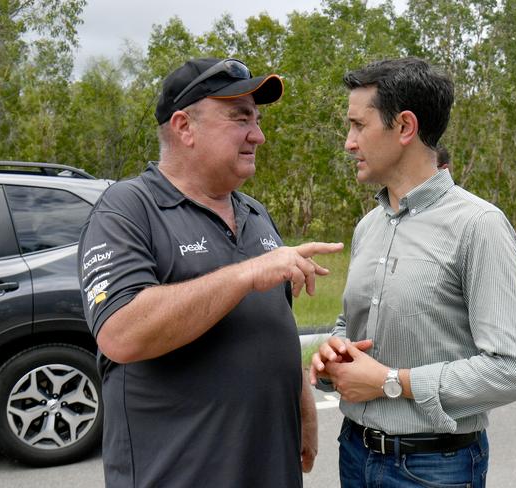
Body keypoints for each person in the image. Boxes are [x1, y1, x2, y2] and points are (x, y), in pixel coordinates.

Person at [78, 57, 344, 487]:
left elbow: (272, 323)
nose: (258, 134)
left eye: (256, 119)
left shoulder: (255, 213)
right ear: (185, 127)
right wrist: (245, 274)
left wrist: (303, 403)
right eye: (240, 118)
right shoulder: (127, 209)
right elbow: (120, 333)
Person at [310, 57, 516, 487]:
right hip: (354, 454)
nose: (348, 142)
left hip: (435, 468)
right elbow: (349, 323)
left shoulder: (478, 226)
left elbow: (512, 369)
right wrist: (334, 352)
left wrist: (391, 382)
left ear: (405, 127)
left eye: (359, 126)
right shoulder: (368, 227)